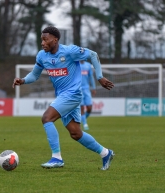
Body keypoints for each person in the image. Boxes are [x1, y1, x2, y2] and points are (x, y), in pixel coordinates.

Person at [12, 26, 115, 170]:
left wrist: (99, 77)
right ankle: (105, 153)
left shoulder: (69, 51)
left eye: (45, 39)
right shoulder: (42, 56)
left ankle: (56, 158)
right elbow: (35, 75)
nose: (42, 43)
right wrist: (22, 80)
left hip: (73, 94)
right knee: (75, 133)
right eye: (41, 40)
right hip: (62, 96)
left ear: (55, 39)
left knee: (46, 118)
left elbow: (93, 55)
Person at [80, 60, 96, 131]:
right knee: (82, 107)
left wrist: (94, 87)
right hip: (78, 89)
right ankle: (85, 124)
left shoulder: (88, 65)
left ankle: (81, 120)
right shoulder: (76, 65)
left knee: (89, 108)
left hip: (86, 89)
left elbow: (91, 77)